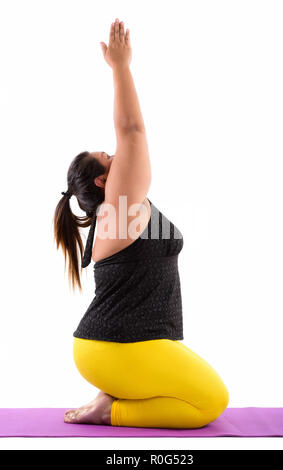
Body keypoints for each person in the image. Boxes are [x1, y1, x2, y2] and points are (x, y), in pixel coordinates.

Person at [53, 18, 229, 429]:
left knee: (201, 392)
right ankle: (111, 410)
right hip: (112, 348)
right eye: (108, 158)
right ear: (102, 181)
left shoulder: (121, 213)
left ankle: (113, 393)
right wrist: (120, 67)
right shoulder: (118, 209)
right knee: (211, 402)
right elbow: (131, 130)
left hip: (120, 346)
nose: (118, 157)